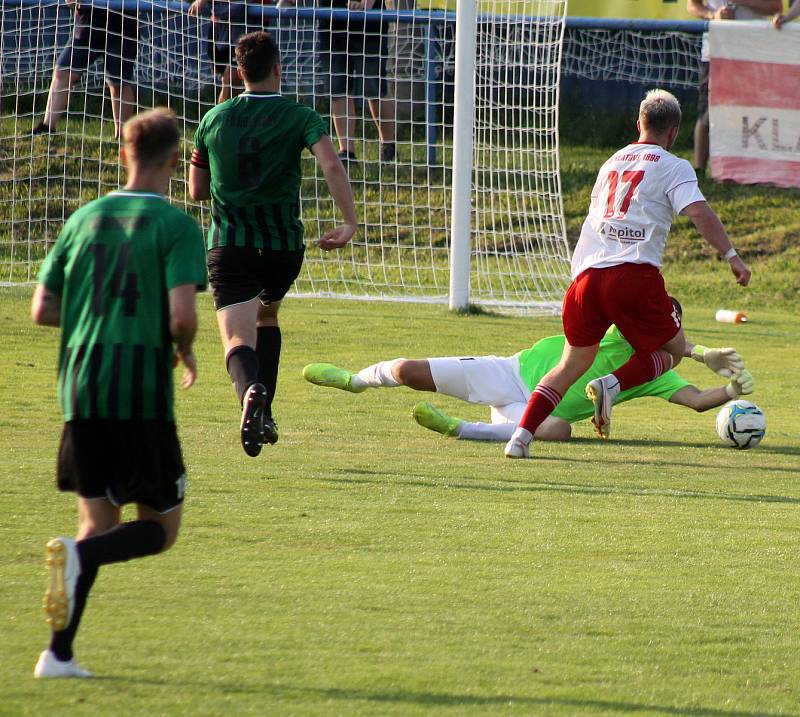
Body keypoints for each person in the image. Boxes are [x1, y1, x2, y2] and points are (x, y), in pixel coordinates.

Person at [30, 108, 207, 678]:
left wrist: (96, 317)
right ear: (175, 160)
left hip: (79, 391)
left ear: (123, 153)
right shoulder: (177, 226)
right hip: (140, 395)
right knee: (158, 529)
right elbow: (182, 317)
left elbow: (43, 308)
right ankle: (78, 560)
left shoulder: (83, 218)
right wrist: (182, 348)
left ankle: (57, 654)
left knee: (95, 524)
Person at [502, 89, 751, 459]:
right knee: (671, 350)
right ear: (674, 132)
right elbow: (699, 212)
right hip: (632, 275)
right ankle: (612, 385)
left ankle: (520, 438)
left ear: (639, 124)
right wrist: (731, 255)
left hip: (585, 280)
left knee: (569, 365)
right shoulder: (673, 165)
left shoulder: (611, 162)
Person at [189, 31, 358, 458]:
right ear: (278, 69)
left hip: (231, 245)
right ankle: (266, 414)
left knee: (237, 341)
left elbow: (196, 191)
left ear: (239, 71)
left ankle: (251, 393)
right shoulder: (300, 116)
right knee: (267, 316)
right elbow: (331, 162)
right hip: (283, 248)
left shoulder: (213, 119)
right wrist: (349, 222)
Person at [302, 307, 755, 444]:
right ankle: (355, 380)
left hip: (529, 411)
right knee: (405, 370)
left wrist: (732, 390)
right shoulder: (619, 325)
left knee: (558, 430)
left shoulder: (654, 370)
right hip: (509, 372)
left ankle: (460, 429)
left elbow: (696, 399)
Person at [279, 0, 397, 163]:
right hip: (331, 24)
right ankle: (346, 152)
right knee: (337, 88)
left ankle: (388, 147)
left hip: (368, 24)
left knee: (373, 87)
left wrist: (365, 4)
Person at [686, 0, 781, 174]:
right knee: (707, 111)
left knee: (753, 112)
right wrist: (713, 15)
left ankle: (751, 169)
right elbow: (692, 5)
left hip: (752, 52)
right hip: (716, 50)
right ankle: (700, 169)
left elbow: (776, 7)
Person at [32, 0, 139, 138]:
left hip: (123, 26)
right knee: (63, 72)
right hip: (87, 24)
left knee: (118, 83)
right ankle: (47, 127)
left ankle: (122, 135)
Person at [188, 0, 266, 103]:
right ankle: (223, 116)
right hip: (221, 32)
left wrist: (216, 9)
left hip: (247, 30)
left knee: (233, 80)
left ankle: (229, 115)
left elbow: (233, 11)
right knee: (228, 82)